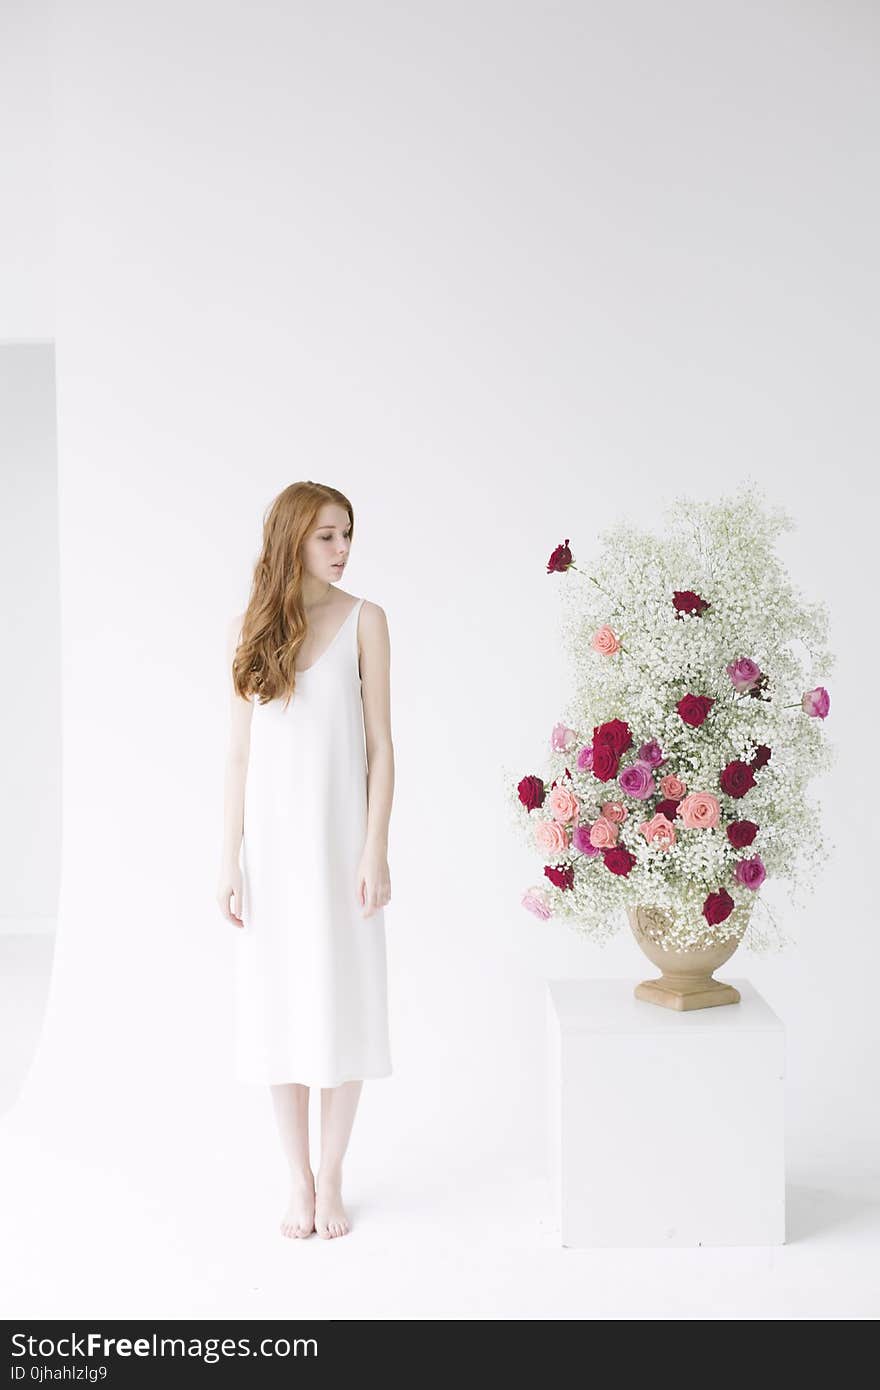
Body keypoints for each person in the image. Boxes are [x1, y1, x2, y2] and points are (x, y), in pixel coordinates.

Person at [216, 480, 393, 1239]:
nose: (342, 548)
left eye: (347, 533)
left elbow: (382, 748)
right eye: (327, 535)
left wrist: (375, 847)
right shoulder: (250, 629)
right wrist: (229, 857)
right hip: (273, 852)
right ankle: (296, 1181)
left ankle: (333, 1175)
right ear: (293, 538)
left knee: (342, 998)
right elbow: (238, 756)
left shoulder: (367, 621)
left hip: (340, 847)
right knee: (278, 1005)